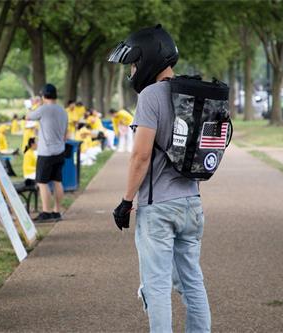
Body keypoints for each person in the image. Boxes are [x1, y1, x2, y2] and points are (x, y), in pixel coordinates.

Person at [109, 24, 210, 333]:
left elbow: (140, 156)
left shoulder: (152, 95)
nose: (133, 70)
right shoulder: (192, 94)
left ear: (149, 58)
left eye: (134, 63)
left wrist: (126, 201)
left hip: (159, 208)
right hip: (192, 203)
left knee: (156, 286)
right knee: (193, 283)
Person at [26, 83, 67, 222]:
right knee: (57, 181)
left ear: (43, 96)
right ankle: (57, 211)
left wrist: (34, 104)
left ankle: (46, 211)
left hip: (46, 152)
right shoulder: (63, 110)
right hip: (60, 150)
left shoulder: (43, 109)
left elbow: (28, 117)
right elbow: (65, 134)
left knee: (42, 182)